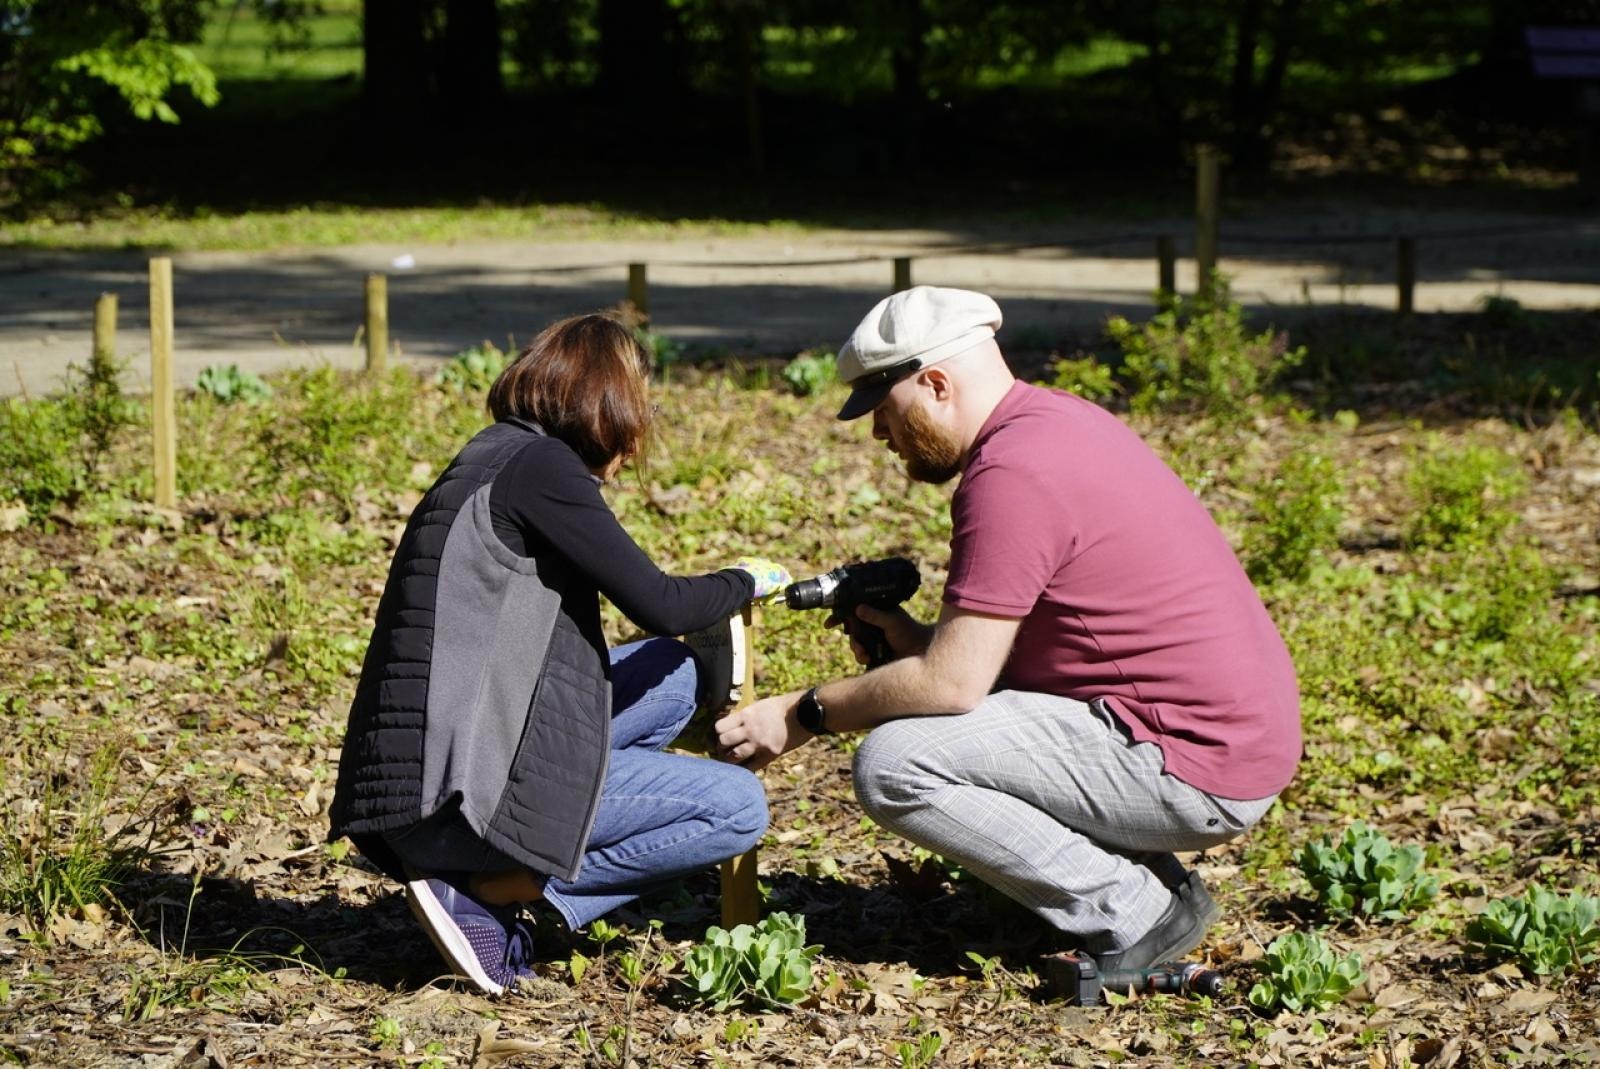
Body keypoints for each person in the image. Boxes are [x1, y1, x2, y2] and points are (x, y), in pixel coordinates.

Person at [716, 286, 1301, 976]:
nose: (878, 433)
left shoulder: (1011, 473)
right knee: (929, 723)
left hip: (1197, 762)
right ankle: (1149, 879)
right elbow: (1026, 648)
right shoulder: (1055, 422)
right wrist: (914, 644)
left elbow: (953, 685)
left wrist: (804, 712)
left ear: (935, 383)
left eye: (882, 409)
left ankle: (1137, 912)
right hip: (1223, 735)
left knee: (897, 764)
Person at [330, 313, 787, 996]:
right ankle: (496, 889)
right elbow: (659, 600)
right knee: (737, 808)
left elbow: (657, 632)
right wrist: (748, 579)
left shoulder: (496, 454)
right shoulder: (544, 469)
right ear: (603, 408)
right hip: (455, 804)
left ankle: (547, 840)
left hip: (420, 790)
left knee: (673, 670)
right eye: (634, 415)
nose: (632, 448)